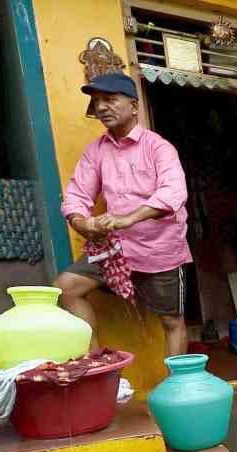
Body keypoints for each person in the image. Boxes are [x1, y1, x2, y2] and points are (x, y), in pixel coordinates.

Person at [55, 72, 191, 357]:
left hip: (159, 250)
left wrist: (130, 218)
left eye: (110, 99)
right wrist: (83, 223)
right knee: (65, 288)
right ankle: (96, 367)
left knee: (172, 320)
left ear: (133, 105)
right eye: (96, 102)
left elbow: (173, 193)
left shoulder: (159, 148)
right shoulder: (96, 151)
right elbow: (77, 197)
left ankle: (176, 389)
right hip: (116, 248)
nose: (101, 107)